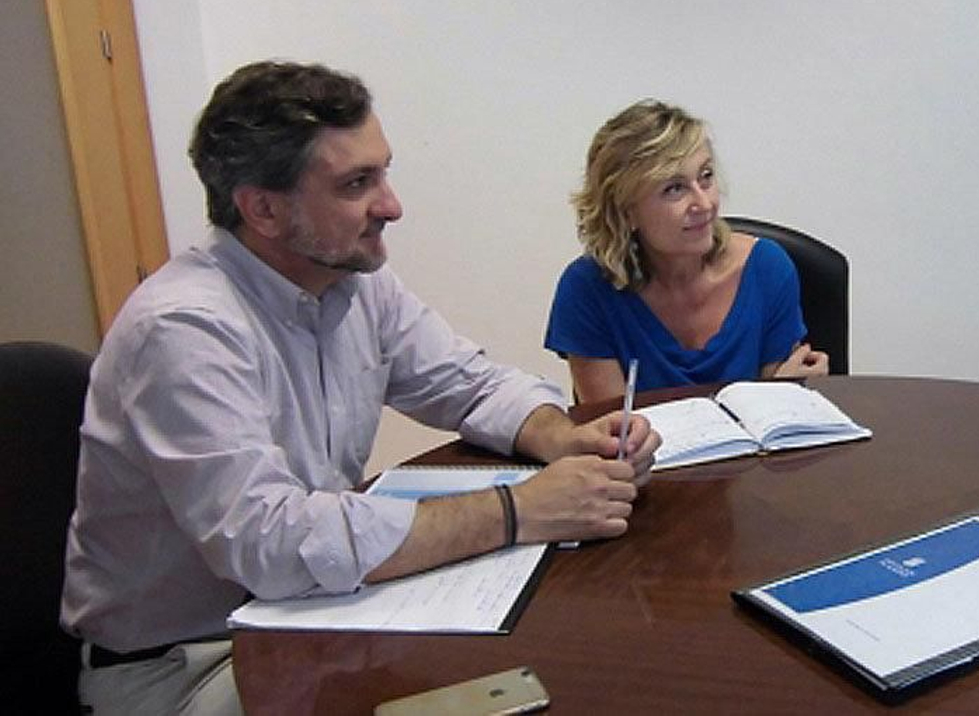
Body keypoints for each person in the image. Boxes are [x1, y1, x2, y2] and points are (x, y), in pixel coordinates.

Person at [61, 60, 660, 715]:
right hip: (189, 664)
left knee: (548, 674)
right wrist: (518, 511)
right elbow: (271, 542)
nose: (392, 206)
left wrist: (563, 437)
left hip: (311, 613)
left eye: (384, 172)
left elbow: (467, 382)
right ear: (262, 208)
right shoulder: (183, 329)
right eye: (357, 184)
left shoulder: (351, 281)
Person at [544, 99, 827, 401]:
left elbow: (775, 428)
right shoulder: (588, 290)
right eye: (674, 189)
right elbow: (610, 434)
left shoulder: (768, 269)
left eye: (705, 177)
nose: (705, 204)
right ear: (625, 212)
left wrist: (790, 393)